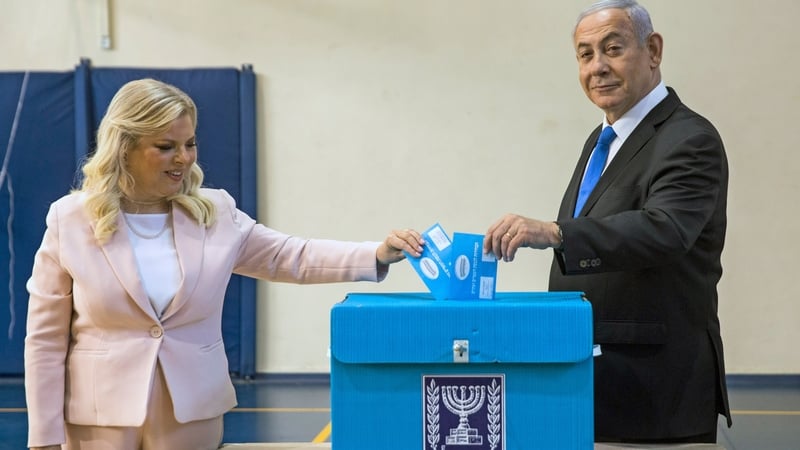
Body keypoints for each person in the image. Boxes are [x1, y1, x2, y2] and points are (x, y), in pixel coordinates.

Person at [24, 78, 424, 450]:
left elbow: (291, 255)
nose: (183, 158)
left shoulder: (215, 212)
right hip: (96, 421)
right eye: (166, 146)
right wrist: (44, 436)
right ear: (124, 146)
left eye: (190, 144)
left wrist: (376, 253)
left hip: (191, 414)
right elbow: (45, 339)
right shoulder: (68, 219)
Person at [483, 0, 731, 444]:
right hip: (593, 379)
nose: (597, 67)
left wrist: (556, 232)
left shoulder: (690, 138)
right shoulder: (602, 140)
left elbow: (666, 230)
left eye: (613, 49)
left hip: (655, 391)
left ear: (653, 50)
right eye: (585, 54)